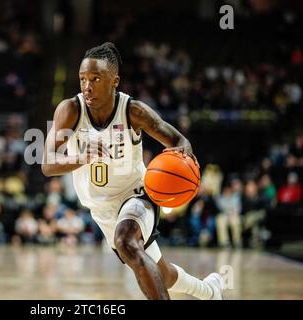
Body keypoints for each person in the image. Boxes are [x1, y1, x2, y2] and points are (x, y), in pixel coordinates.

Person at [42, 42, 224, 300]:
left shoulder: (133, 111)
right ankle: (209, 290)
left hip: (137, 194)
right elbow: (47, 164)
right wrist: (83, 156)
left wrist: (184, 165)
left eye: (96, 78)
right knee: (161, 273)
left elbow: (181, 142)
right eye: (83, 79)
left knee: (127, 243)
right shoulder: (70, 110)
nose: (87, 86)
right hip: (101, 209)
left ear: (114, 81)